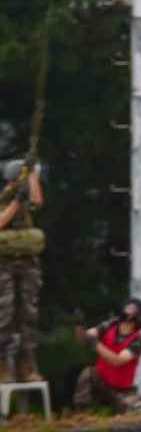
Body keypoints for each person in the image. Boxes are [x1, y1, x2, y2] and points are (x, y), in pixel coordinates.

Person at [0, 159, 45, 382]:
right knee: (3, 314)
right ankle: (2, 365)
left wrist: (33, 172)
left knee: (30, 313)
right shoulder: (5, 199)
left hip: (27, 263)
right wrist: (16, 200)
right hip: (3, 264)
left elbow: (37, 201)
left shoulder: (26, 197)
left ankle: (27, 365)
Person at [73, 298, 141, 414]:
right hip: (101, 383)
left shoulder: (137, 340)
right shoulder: (112, 324)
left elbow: (117, 360)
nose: (128, 308)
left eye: (134, 308)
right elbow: (82, 338)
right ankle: (81, 416)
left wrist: (95, 344)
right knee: (88, 373)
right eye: (129, 306)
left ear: (140, 316)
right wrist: (79, 325)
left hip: (122, 391)